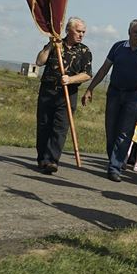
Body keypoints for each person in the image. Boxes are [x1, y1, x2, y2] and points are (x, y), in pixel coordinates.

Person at [82, 19, 137, 182]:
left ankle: (114, 167)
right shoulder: (118, 47)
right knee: (111, 130)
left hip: (133, 96)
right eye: (135, 32)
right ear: (129, 32)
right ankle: (116, 160)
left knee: (125, 132)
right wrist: (90, 88)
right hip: (115, 93)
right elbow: (104, 69)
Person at [34, 17, 92, 174]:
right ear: (68, 30)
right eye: (78, 31)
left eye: (83, 32)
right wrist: (50, 45)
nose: (81, 35)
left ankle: (52, 160)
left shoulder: (84, 51)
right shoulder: (56, 45)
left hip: (68, 93)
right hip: (48, 91)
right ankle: (42, 159)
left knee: (60, 128)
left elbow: (87, 74)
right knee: (44, 125)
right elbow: (39, 62)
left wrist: (71, 79)